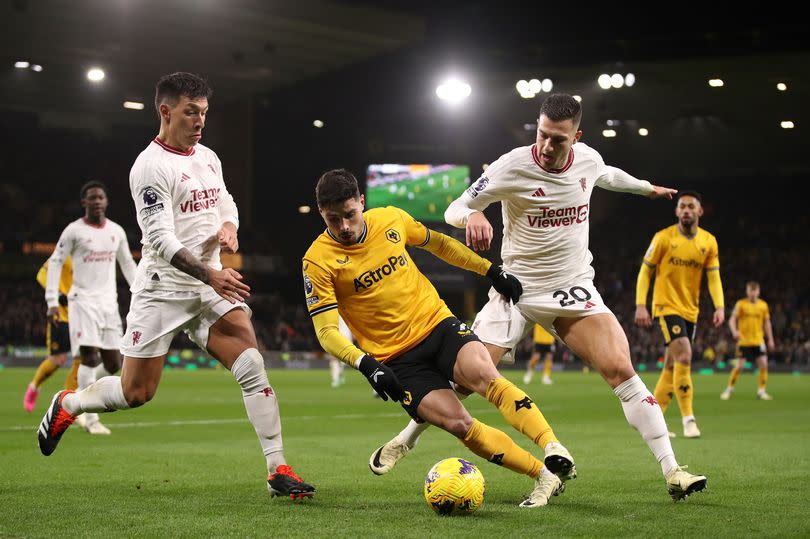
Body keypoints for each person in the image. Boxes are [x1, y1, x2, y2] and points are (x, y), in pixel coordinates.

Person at [374, 93, 706, 501]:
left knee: (621, 369)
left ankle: (673, 471)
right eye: (543, 135)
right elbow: (454, 208)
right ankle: (406, 439)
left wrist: (645, 189)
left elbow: (608, 175)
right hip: (514, 289)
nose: (547, 146)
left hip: (571, 287)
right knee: (465, 379)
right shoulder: (511, 165)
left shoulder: (587, 158)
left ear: (576, 137)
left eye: (558, 140)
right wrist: (474, 214)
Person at [37, 72, 314, 500]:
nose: (200, 121)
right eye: (191, 112)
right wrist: (212, 274)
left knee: (252, 365)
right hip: (163, 288)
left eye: (204, 112)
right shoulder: (150, 168)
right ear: (165, 112)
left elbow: (226, 201)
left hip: (210, 286)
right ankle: (68, 404)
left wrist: (228, 226)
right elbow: (162, 241)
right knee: (136, 393)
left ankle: (277, 467)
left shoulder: (208, 156)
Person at [305, 168, 575, 508]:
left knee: (486, 377)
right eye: (333, 220)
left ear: (361, 202)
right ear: (321, 214)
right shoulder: (317, 261)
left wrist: (491, 271)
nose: (344, 227)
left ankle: (552, 446)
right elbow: (327, 331)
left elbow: (440, 244)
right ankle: (544, 476)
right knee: (461, 424)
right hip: (396, 359)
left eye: (349, 215)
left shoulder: (390, 219)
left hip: (437, 324)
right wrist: (366, 364)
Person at [42, 181, 137, 435]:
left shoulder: (116, 231)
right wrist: (52, 301)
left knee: (114, 362)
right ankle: (90, 418)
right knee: (90, 357)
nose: (96, 201)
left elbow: (127, 264)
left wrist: (140, 292)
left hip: (108, 303)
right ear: (84, 202)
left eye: (100, 198)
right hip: (82, 301)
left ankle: (78, 396)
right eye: (91, 198)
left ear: (106, 202)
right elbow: (55, 262)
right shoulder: (73, 231)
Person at [635, 190, 725, 438]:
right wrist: (641, 304)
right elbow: (645, 272)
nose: (686, 210)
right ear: (676, 211)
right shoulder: (663, 238)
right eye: (682, 206)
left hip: (690, 310)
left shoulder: (709, 242)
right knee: (684, 354)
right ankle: (689, 420)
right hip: (665, 306)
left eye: (691, 206)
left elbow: (713, 277)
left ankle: (655, 422)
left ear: (700, 211)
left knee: (672, 364)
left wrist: (720, 306)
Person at [24, 257, 82, 415]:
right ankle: (34, 386)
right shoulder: (65, 253)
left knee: (82, 358)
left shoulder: (92, 255)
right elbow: (41, 274)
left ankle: (66, 401)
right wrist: (57, 294)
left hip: (82, 315)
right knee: (58, 360)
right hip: (61, 316)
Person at [722, 281, 775, 400]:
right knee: (740, 366)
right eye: (751, 291)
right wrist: (734, 331)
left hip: (758, 340)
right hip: (744, 341)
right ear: (747, 292)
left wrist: (770, 339)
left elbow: (767, 323)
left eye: (755, 291)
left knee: (764, 365)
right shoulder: (741, 304)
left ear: (758, 292)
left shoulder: (763, 305)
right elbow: (732, 320)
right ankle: (729, 389)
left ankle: (761, 391)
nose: (753, 293)